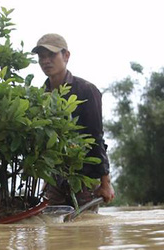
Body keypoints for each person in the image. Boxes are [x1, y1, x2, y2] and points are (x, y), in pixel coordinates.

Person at [31, 33, 115, 209]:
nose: (46, 61)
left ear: (66, 56)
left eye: (51, 55)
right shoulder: (40, 97)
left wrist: (105, 182)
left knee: (88, 232)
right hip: (53, 181)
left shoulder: (86, 91)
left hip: (83, 179)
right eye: (41, 57)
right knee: (54, 233)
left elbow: (96, 137)